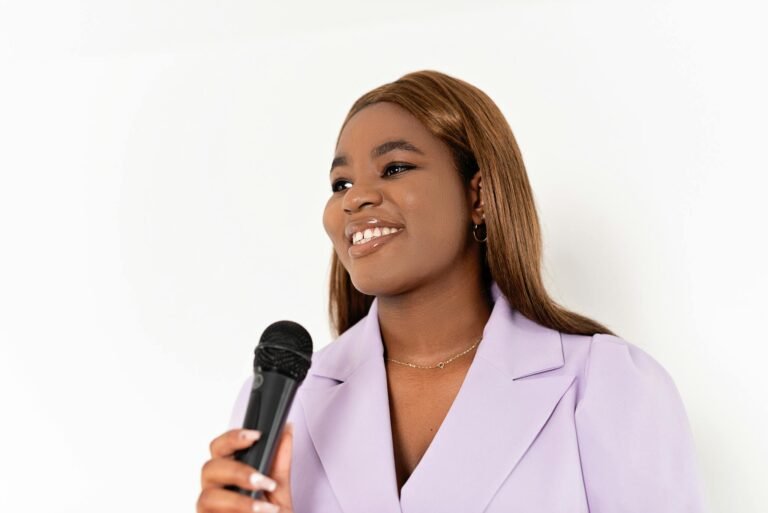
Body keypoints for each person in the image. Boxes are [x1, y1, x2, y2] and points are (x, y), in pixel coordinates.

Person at [197, 70, 708, 513]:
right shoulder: (289, 402)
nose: (356, 199)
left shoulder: (606, 387)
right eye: (340, 184)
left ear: (479, 194)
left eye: (394, 168)